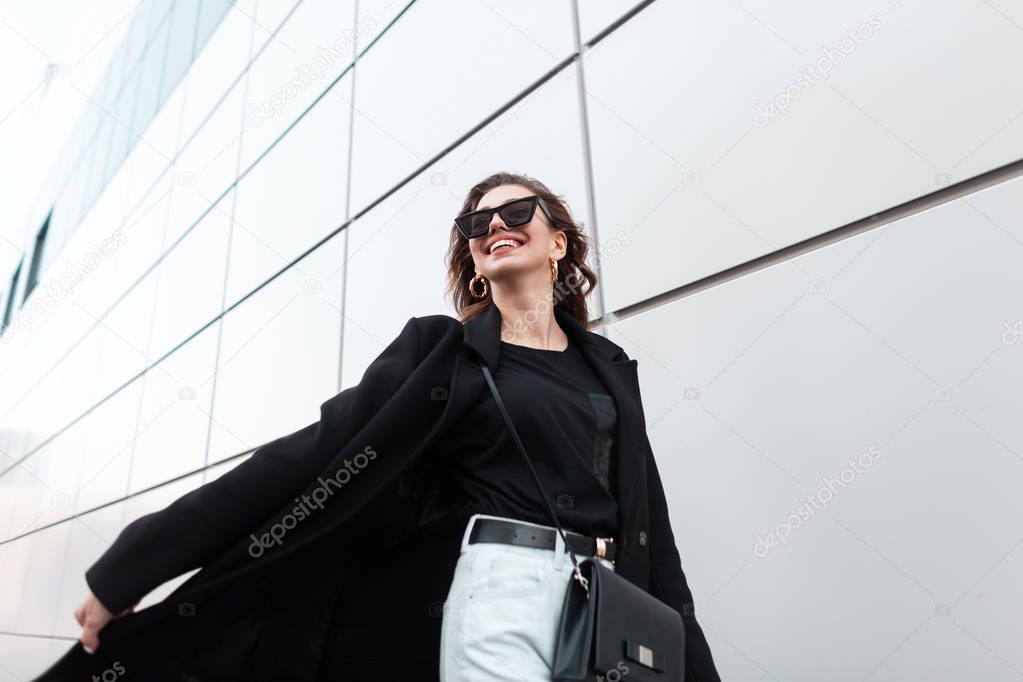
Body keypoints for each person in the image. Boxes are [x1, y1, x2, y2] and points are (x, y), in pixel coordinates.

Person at [47, 172, 720, 681]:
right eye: (476, 222)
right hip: (500, 593)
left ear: (559, 243)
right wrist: (133, 565)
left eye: (517, 211)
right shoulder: (442, 355)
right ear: (475, 259)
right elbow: (309, 459)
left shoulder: (607, 371)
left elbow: (653, 537)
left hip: (605, 602)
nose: (495, 225)